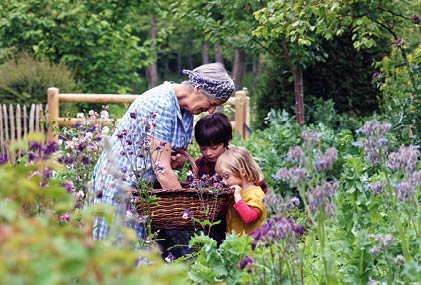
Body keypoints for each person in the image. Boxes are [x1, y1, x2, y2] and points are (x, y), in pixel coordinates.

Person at [90, 63, 235, 259]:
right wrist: (187, 211)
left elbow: (169, 157)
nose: (210, 111)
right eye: (212, 103)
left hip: (144, 190)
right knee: (120, 257)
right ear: (198, 89)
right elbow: (161, 169)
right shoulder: (161, 104)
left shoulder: (186, 110)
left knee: (142, 256)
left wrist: (176, 160)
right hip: (119, 185)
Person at [192, 112, 268, 244]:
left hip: (241, 221)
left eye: (214, 147)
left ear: (227, 142)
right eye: (203, 148)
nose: (208, 153)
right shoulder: (199, 165)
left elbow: (259, 191)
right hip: (213, 220)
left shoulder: (236, 160)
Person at [215, 146, 267, 236]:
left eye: (226, 176)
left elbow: (249, 217)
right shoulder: (236, 192)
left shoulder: (256, 194)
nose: (223, 181)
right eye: (221, 177)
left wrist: (238, 196)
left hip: (252, 247)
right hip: (236, 247)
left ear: (242, 172)